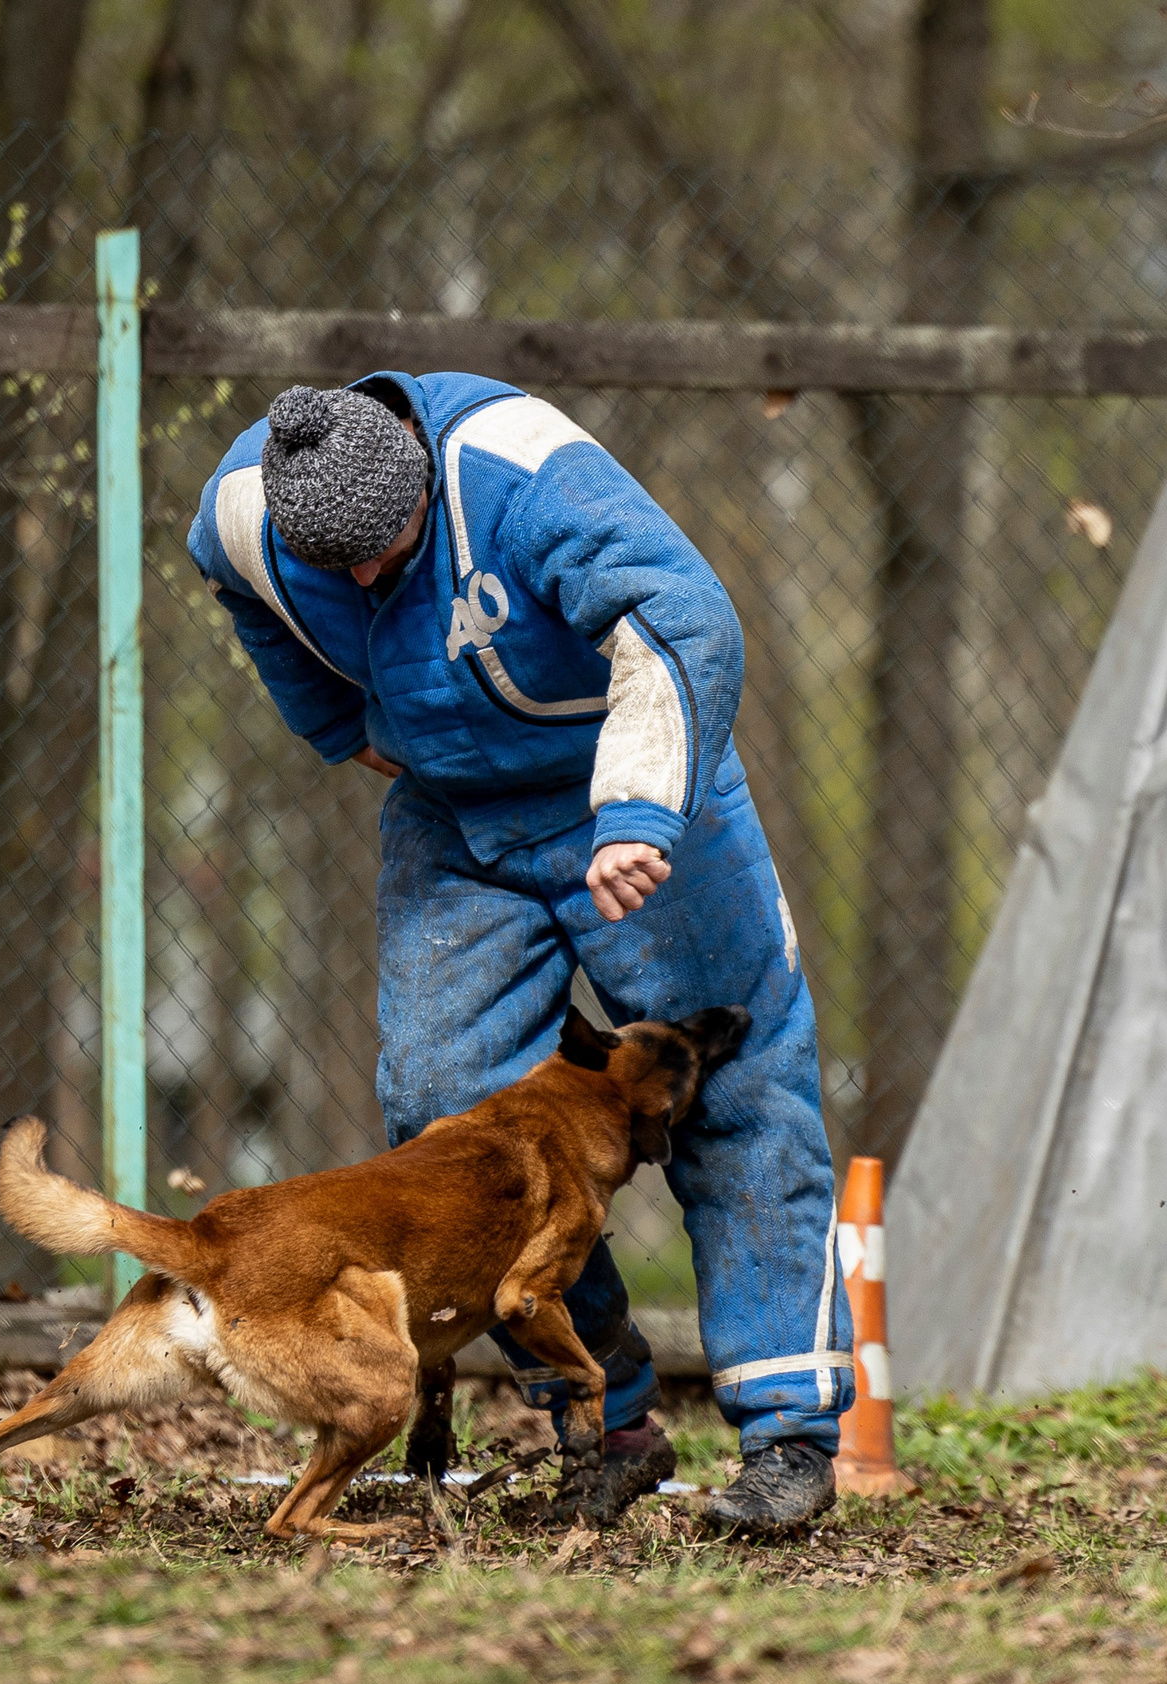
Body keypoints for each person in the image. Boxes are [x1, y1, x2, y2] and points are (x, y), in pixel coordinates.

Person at [184, 373, 852, 1534]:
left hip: (628, 800)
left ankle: (787, 1438)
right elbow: (238, 592)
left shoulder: (525, 476)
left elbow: (683, 615)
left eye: (378, 556)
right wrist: (335, 726)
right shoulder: (248, 509)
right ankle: (605, 1421)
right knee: (449, 1119)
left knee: (735, 1089)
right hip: (451, 822)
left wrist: (641, 812)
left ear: (418, 478)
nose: (355, 582)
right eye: (327, 566)